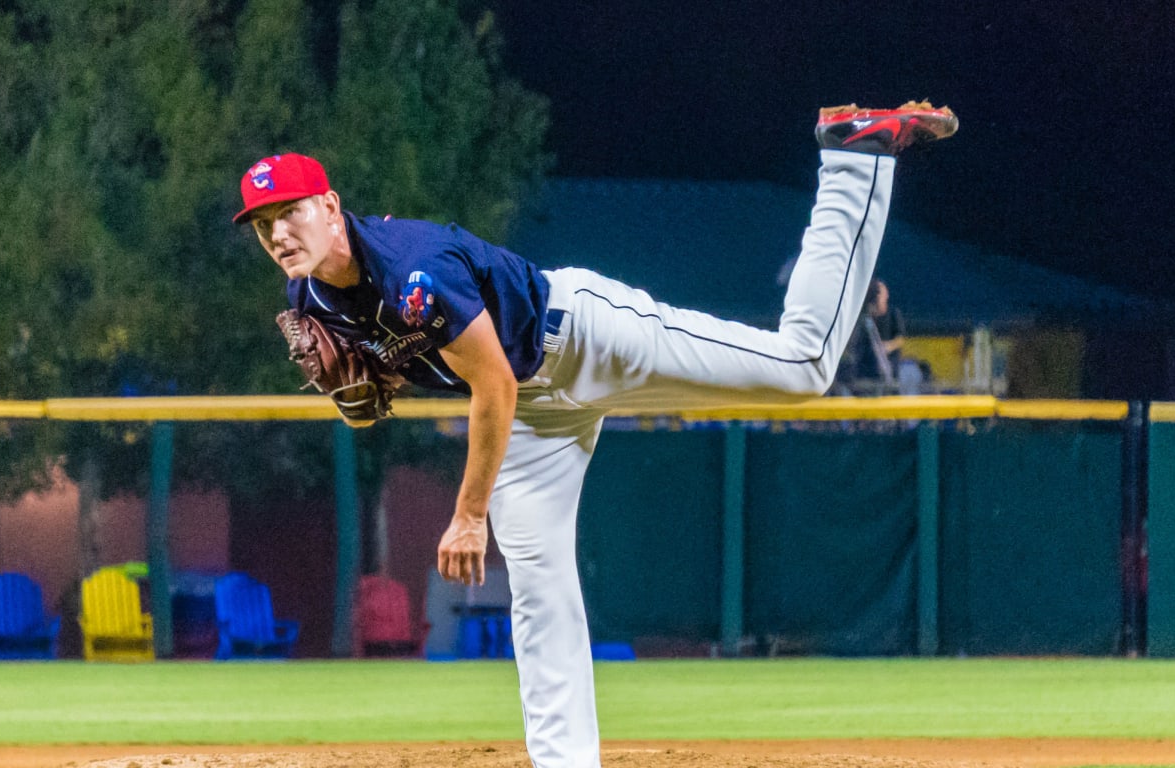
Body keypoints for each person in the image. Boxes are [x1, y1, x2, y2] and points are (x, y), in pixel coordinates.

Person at [234, 101, 956, 768]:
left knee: (801, 368)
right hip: (537, 410)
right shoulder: (311, 296)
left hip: (585, 339)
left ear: (330, 207)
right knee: (538, 579)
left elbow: (494, 385)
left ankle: (854, 159)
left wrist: (468, 515)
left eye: (290, 212)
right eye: (263, 223)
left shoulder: (411, 269)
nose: (277, 233)